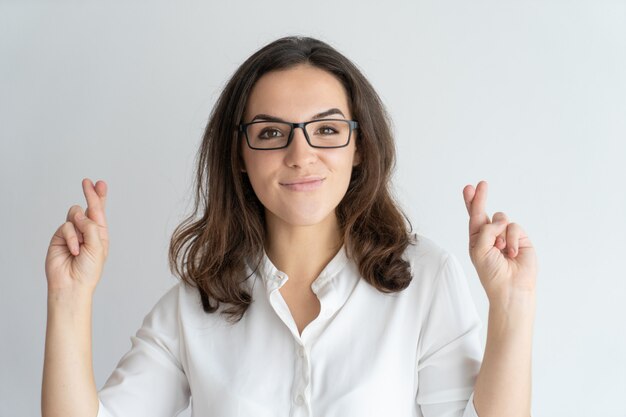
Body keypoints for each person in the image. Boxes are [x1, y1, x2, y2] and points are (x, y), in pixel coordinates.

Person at [42, 36, 537, 417]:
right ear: (239, 154)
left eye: (326, 129)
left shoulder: (424, 277)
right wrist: (69, 298)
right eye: (272, 133)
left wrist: (511, 307)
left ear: (359, 146)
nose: (301, 157)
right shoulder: (195, 306)